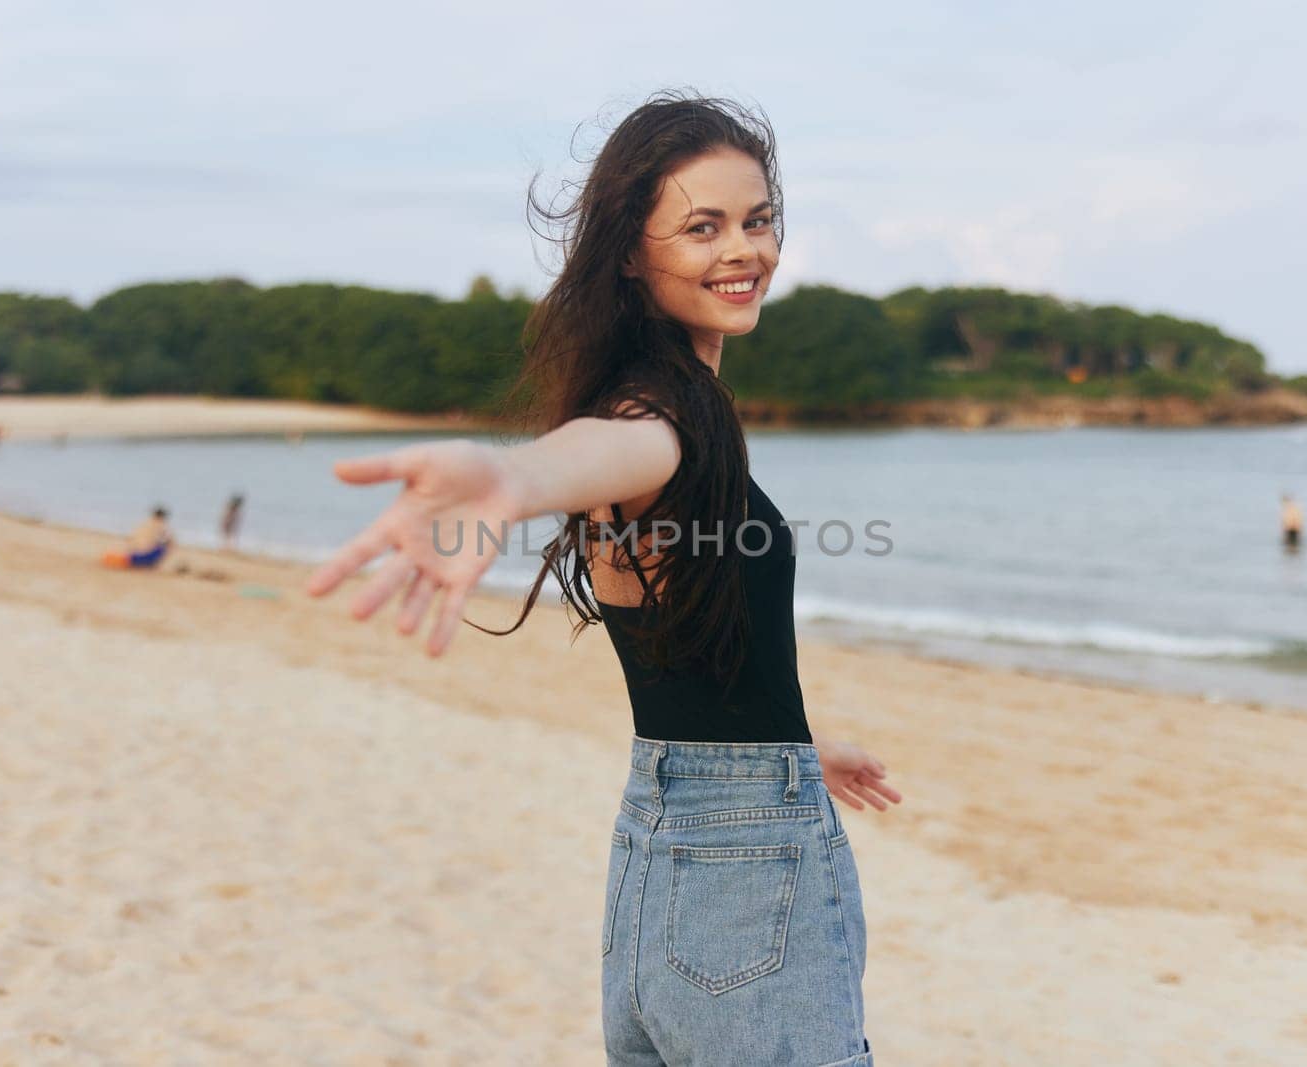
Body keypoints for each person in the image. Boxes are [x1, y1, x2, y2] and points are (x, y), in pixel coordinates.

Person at [306, 92, 899, 1065]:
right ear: (630, 250)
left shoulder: (682, 406)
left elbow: (688, 645)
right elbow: (610, 451)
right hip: (741, 866)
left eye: (758, 220)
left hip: (663, 848)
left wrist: (788, 741)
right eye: (701, 227)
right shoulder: (656, 416)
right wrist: (508, 478)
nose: (742, 249)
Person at [102, 506, 174, 569]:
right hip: (145, 555)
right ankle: (151, 565)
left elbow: (132, 538)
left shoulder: (144, 523)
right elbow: (170, 540)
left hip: (132, 553)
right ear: (162, 516)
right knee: (165, 546)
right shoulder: (161, 525)